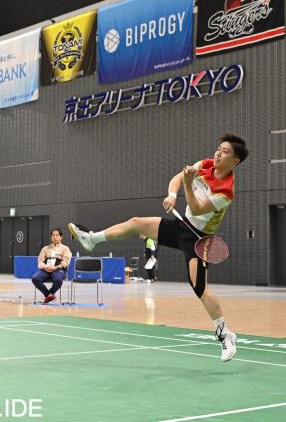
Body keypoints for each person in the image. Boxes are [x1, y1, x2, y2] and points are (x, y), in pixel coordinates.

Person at [68, 134, 248, 362]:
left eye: (225, 151)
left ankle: (225, 334)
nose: (218, 153)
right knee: (136, 223)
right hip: (182, 225)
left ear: (235, 161)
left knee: (199, 287)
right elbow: (177, 178)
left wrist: (187, 184)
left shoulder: (225, 192)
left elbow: (197, 207)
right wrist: (172, 194)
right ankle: (91, 239)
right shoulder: (206, 165)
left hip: (198, 238)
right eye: (219, 148)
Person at [31, 228, 72, 304]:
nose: (55, 237)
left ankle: (49, 295)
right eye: (53, 235)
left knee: (58, 280)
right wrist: (45, 267)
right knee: (35, 279)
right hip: (46, 269)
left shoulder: (65, 248)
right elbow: (40, 261)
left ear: (61, 237)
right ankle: (49, 295)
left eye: (57, 235)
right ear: (51, 237)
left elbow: (66, 262)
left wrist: (56, 267)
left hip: (58, 269)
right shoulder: (45, 248)